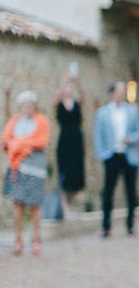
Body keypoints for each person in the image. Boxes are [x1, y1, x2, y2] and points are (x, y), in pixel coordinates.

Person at [93, 81, 139, 237]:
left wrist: (131, 139)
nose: (122, 94)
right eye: (120, 91)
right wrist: (103, 155)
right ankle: (106, 226)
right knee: (108, 192)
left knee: (131, 192)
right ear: (113, 93)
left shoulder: (134, 111)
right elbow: (98, 136)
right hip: (111, 156)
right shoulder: (102, 113)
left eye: (124, 92)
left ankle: (130, 225)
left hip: (129, 155)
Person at [2, 90, 50, 256]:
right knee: (17, 205)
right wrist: (23, 145)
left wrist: (19, 144)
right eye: (25, 104)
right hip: (18, 168)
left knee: (35, 207)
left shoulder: (41, 121)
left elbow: (42, 141)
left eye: (31, 104)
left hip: (35, 170)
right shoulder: (14, 122)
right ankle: (18, 241)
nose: (28, 107)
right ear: (21, 106)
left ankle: (36, 240)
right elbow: (6, 141)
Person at [53, 74, 85, 218]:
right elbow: (54, 102)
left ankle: (72, 205)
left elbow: (83, 96)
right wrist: (63, 84)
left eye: (70, 88)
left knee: (76, 174)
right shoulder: (59, 104)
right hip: (65, 141)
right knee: (64, 174)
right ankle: (65, 207)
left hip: (76, 141)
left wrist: (77, 82)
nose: (68, 90)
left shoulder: (77, 104)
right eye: (67, 88)